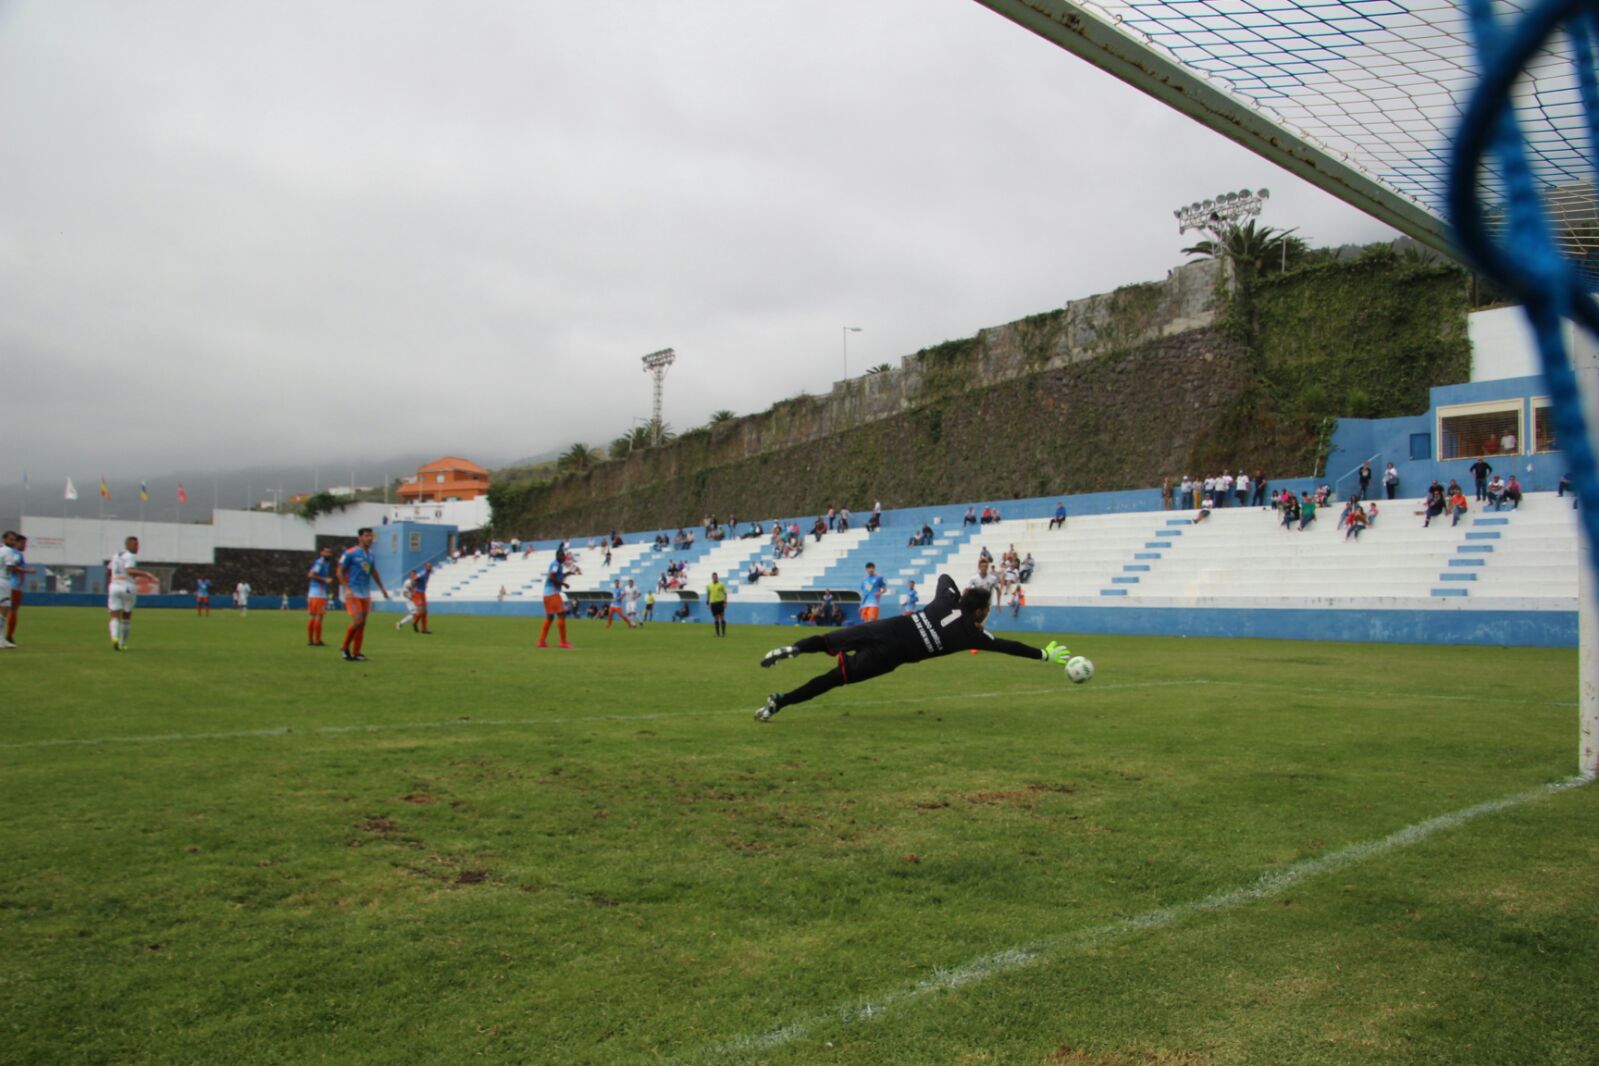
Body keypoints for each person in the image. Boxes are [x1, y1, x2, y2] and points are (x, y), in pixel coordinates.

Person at [753, 575, 1075, 721]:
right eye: (986, 611)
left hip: (887, 628)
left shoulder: (945, 599)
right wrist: (1044, 654)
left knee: (828, 641)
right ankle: (780, 702)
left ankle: (793, 649)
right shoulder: (973, 635)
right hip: (890, 656)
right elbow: (1009, 646)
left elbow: (945, 577)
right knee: (834, 679)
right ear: (979, 613)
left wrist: (955, 595)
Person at [337, 528, 390, 662]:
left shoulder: (370, 554)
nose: (370, 538)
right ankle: (344, 646)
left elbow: (372, 571)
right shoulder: (350, 553)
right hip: (353, 593)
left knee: (362, 623)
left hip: (365, 594)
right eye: (366, 536)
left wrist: (382, 589)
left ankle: (356, 652)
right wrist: (346, 589)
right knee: (358, 621)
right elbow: (339, 572)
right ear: (360, 538)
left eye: (371, 536)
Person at [107, 535, 156, 651]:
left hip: (114, 586)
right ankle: (122, 643)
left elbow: (109, 570)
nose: (137, 547)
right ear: (128, 545)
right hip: (127, 587)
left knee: (114, 615)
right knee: (126, 616)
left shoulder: (116, 556)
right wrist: (147, 574)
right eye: (135, 544)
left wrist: (114, 579)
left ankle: (114, 638)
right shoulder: (130, 556)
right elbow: (130, 570)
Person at [0, 531, 33, 648]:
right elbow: (11, 567)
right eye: (11, 540)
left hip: (7, 583)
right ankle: (5, 637)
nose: (13, 542)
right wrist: (27, 571)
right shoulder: (12, 552)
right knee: (7, 611)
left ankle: (4, 637)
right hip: (8, 583)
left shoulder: (2, 550)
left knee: (6, 610)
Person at [536, 546, 572, 648]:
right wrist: (563, 584)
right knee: (561, 614)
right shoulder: (556, 564)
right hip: (553, 593)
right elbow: (551, 576)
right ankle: (563, 642)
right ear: (558, 556)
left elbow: (556, 575)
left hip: (547, 594)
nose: (564, 557)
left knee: (550, 617)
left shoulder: (557, 565)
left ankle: (541, 641)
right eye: (562, 555)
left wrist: (567, 574)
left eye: (564, 556)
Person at [306, 547, 334, 646]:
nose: (329, 554)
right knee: (319, 616)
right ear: (321, 552)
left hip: (314, 592)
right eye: (326, 552)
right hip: (319, 593)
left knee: (313, 615)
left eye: (330, 552)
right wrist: (324, 579)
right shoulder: (320, 562)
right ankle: (317, 640)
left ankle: (310, 640)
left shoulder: (325, 563)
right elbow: (311, 575)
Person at [706, 571, 728, 636]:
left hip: (720, 602)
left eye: (715, 577)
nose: (714, 578)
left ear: (717, 577)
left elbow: (725, 593)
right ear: (712, 577)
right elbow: (708, 594)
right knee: (715, 618)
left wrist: (725, 602)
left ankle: (723, 633)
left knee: (722, 617)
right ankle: (718, 633)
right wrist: (707, 603)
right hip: (713, 603)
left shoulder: (721, 584)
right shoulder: (709, 585)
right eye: (713, 577)